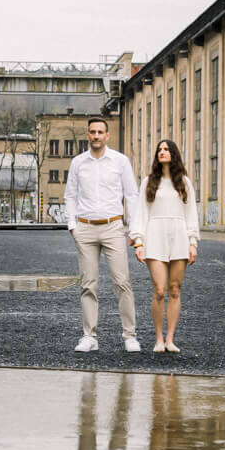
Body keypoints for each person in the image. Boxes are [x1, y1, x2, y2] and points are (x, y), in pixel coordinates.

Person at [63, 117, 142, 353]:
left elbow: (132, 195)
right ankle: (89, 336)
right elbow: (70, 195)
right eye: (92, 132)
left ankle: (130, 336)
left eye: (100, 132)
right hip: (85, 228)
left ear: (107, 135)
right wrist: (72, 225)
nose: (96, 136)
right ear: (87, 135)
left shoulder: (120, 162)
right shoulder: (78, 163)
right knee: (88, 284)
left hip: (113, 227)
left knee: (122, 282)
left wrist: (134, 229)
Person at [130, 139, 199, 352]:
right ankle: (158, 339)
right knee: (159, 290)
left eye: (166, 149)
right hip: (155, 236)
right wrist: (138, 241)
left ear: (174, 154)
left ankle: (170, 339)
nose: (162, 152)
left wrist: (192, 242)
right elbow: (141, 212)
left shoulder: (184, 182)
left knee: (175, 289)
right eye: (159, 149)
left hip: (179, 237)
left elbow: (191, 214)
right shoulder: (149, 182)